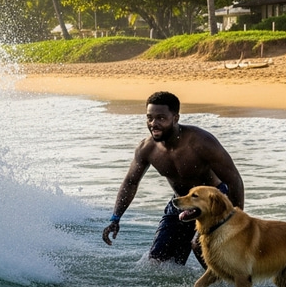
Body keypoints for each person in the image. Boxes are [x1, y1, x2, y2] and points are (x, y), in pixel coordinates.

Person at [102, 91, 244, 265]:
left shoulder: (201, 142)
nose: (153, 124)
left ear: (175, 118)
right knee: (157, 263)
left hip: (212, 202)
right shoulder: (147, 149)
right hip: (181, 203)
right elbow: (131, 182)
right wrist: (115, 218)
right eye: (150, 118)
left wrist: (236, 220)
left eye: (161, 118)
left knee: (199, 247)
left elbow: (234, 180)